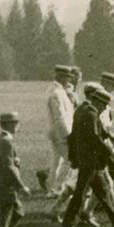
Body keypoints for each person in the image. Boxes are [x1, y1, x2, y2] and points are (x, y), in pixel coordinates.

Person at [59, 83, 114, 227]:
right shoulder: (91, 113)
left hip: (85, 159)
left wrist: (74, 157)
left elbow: (74, 136)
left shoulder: (81, 110)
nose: (104, 108)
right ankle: (67, 223)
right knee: (81, 193)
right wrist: (109, 152)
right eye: (104, 105)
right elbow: (94, 137)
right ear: (98, 101)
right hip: (91, 161)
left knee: (102, 191)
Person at [43, 64, 76, 214]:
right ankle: (62, 188)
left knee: (57, 161)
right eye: (67, 78)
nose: (69, 81)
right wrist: (68, 136)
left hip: (55, 132)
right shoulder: (57, 93)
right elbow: (60, 117)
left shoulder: (55, 90)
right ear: (61, 77)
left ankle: (53, 189)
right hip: (60, 133)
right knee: (72, 161)